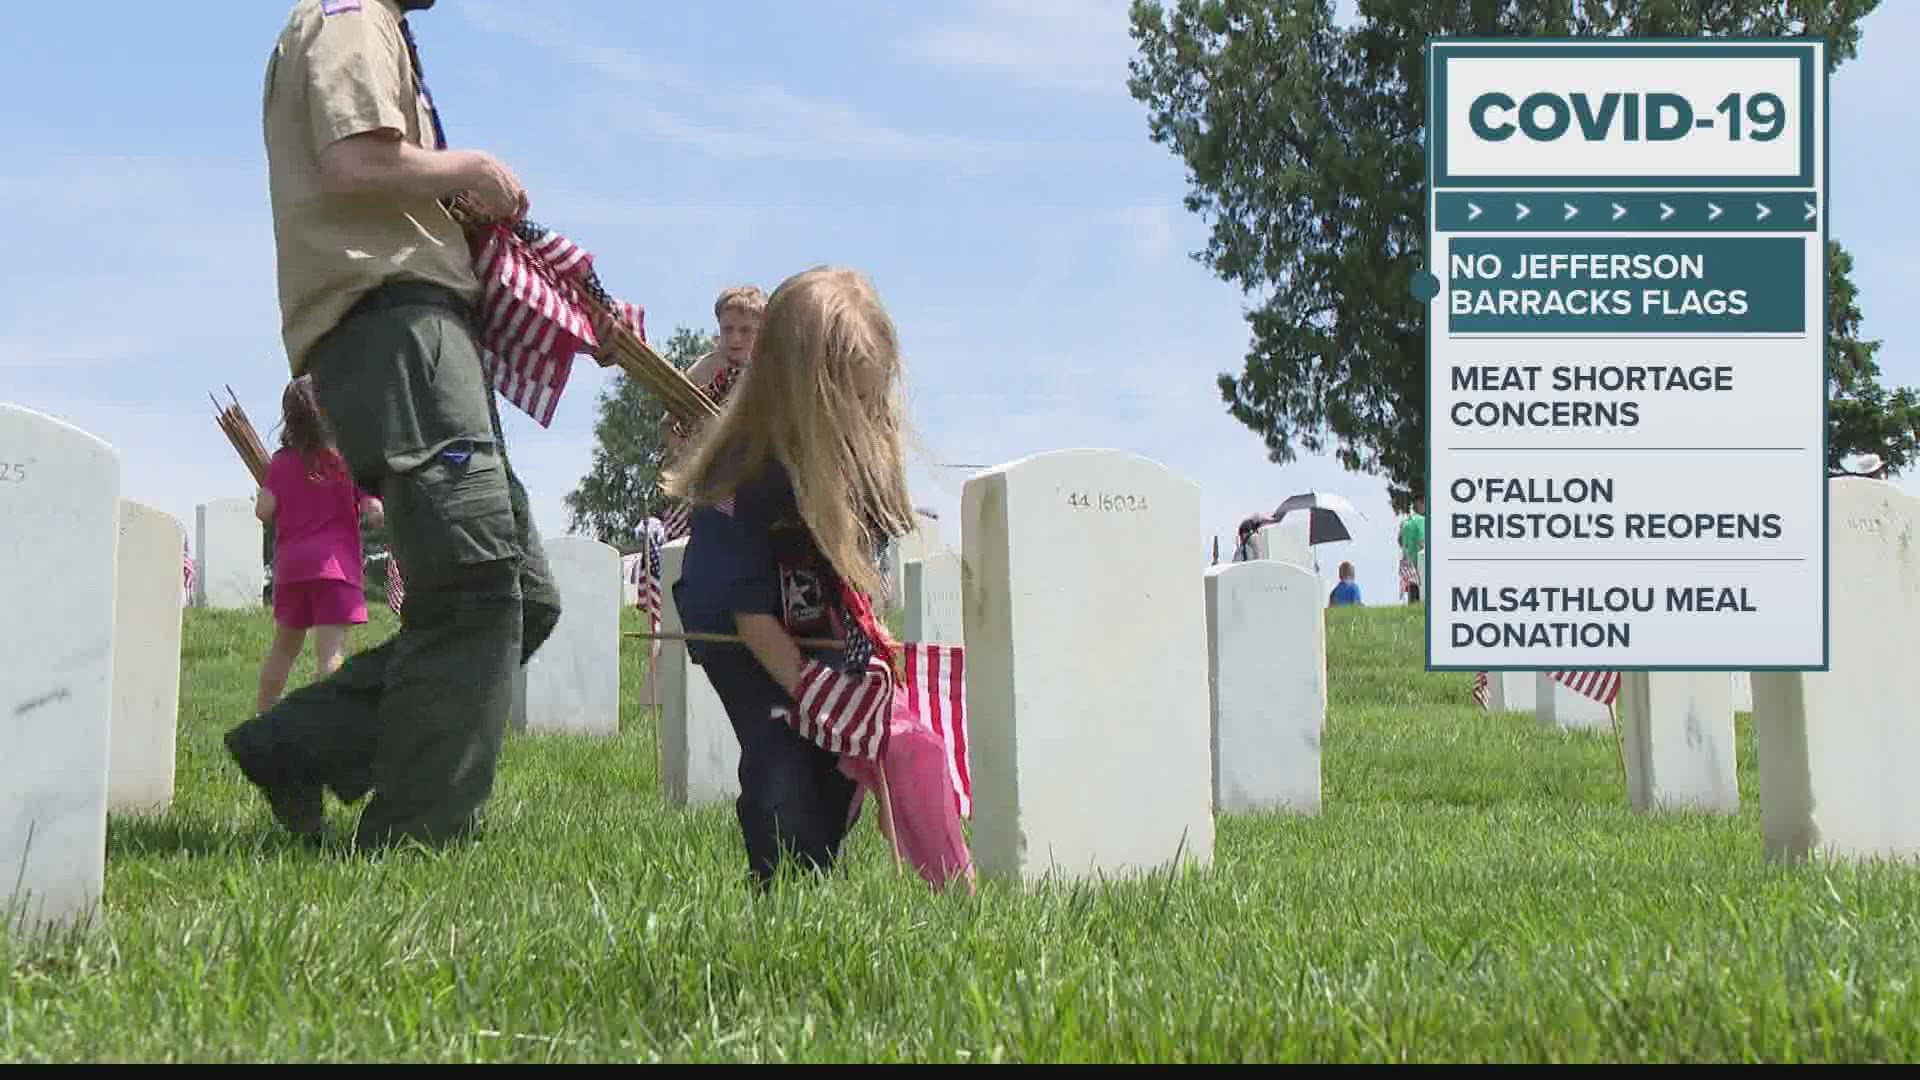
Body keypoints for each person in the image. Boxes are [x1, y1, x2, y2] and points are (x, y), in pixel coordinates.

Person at [225, 0, 563, 851]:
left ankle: (295, 745)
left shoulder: (366, 24)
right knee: (476, 583)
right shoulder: (350, 17)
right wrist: (469, 168)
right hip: (393, 322)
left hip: (416, 323)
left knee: (523, 594)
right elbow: (354, 163)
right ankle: (419, 835)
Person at [663, 267, 971, 891]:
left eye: (869, 399)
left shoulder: (858, 454)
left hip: (823, 620)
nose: (862, 414)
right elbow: (750, 616)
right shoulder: (737, 477)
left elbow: (860, 567)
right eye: (848, 401)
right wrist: (811, 688)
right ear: (794, 387)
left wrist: (857, 670)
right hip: (744, 632)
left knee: (838, 766)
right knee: (782, 751)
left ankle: (830, 856)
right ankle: (781, 881)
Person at [253, 377, 385, 712]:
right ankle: (332, 722)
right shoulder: (347, 461)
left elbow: (263, 511)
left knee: (283, 650)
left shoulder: (281, 463)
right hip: (335, 570)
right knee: (330, 654)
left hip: (292, 570)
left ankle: (265, 714)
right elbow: (374, 511)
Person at [660, 285, 766, 539]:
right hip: (710, 492)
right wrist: (694, 455)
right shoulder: (702, 371)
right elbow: (668, 427)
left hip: (758, 491)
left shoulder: (770, 375)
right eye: (728, 329)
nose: (735, 339)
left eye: (745, 331)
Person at [1399, 496, 1426, 603]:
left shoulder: (1405, 522)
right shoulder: (1421, 521)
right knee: (1422, 597)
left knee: (1412, 596)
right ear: (1420, 503)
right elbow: (1422, 543)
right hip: (1419, 564)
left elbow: (1400, 541)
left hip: (1407, 563)